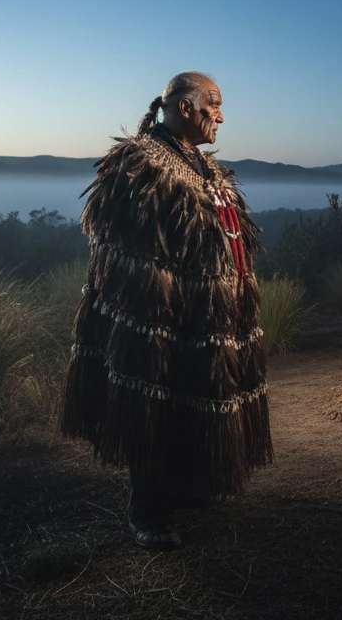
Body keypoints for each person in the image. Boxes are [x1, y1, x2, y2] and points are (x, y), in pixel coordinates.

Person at [60, 71, 272, 549]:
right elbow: (120, 246)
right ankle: (148, 512)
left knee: (193, 396)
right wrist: (160, 300)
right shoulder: (139, 162)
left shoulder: (205, 165)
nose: (221, 115)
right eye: (213, 105)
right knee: (152, 401)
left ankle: (185, 486)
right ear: (185, 108)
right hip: (157, 316)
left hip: (211, 314)